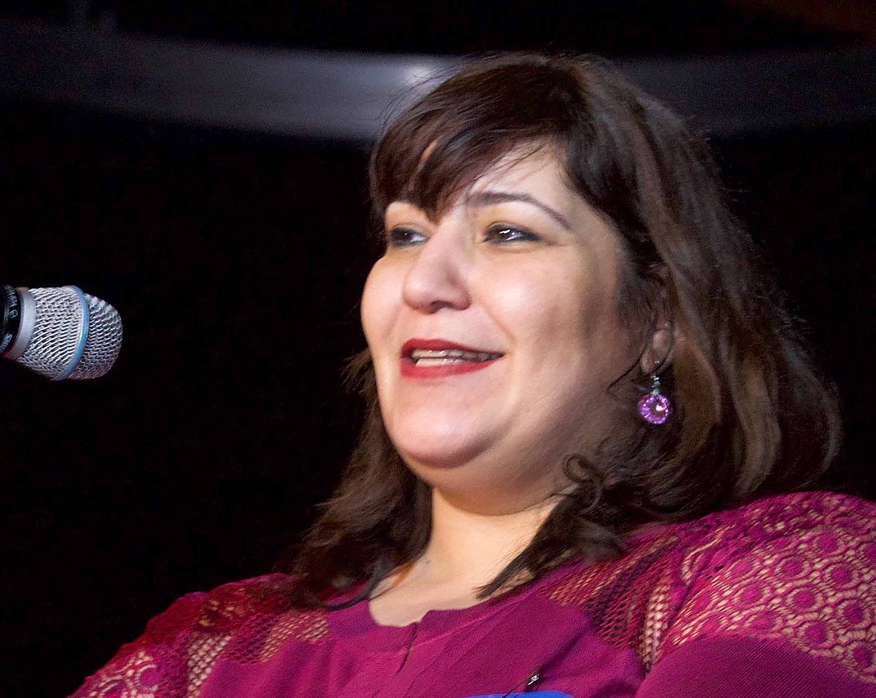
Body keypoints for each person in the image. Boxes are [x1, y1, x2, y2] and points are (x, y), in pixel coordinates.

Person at [71, 54, 876, 697]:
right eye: (406, 235)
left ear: (654, 319)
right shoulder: (204, 654)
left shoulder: (775, 569)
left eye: (507, 232)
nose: (426, 282)